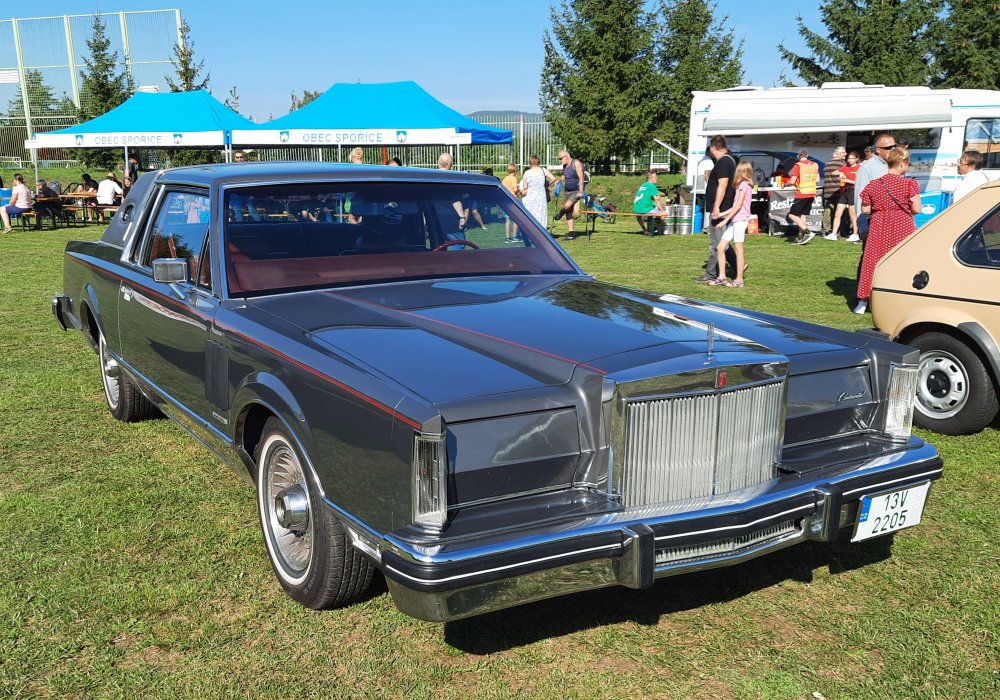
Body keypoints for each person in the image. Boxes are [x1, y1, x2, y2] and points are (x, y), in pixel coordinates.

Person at [854, 147, 921, 314]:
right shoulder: (909, 183)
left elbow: (866, 210)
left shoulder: (874, 184)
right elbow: (918, 209)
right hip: (903, 225)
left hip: (879, 225)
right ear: (902, 164)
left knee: (872, 262)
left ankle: (863, 302)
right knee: (901, 262)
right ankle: (898, 299)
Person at [695, 135, 739, 282]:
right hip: (723, 207)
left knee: (716, 243)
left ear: (713, 148)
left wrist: (716, 208)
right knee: (722, 241)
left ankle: (711, 274)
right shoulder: (728, 160)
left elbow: (723, 184)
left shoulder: (723, 162)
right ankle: (738, 264)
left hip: (720, 209)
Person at [709, 160, 754, 288]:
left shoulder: (743, 185)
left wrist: (724, 220)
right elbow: (735, 206)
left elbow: (738, 206)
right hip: (735, 221)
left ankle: (739, 279)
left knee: (739, 250)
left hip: (740, 221)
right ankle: (722, 277)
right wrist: (721, 214)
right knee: (720, 247)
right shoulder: (744, 185)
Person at [855, 133, 894, 239]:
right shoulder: (867, 167)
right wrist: (863, 228)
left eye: (894, 146)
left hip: (893, 223)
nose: (893, 149)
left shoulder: (896, 164)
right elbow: (860, 197)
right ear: (878, 150)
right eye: (889, 147)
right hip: (874, 222)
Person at [826, 151, 861, 242]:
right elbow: (833, 173)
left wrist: (847, 180)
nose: (849, 160)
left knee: (852, 214)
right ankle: (834, 234)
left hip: (853, 191)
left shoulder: (859, 168)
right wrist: (840, 174)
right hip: (844, 191)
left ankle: (855, 234)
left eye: (851, 158)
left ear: (856, 159)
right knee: (838, 212)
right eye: (848, 158)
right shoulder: (845, 167)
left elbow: (859, 183)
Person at [786, 149, 819, 244]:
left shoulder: (798, 165)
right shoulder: (815, 165)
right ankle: (801, 237)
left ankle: (807, 231)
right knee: (802, 215)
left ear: (798, 156)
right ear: (807, 155)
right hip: (812, 192)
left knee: (791, 215)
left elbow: (792, 181)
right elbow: (817, 179)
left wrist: (785, 184)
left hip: (802, 192)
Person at [553, 149, 585, 239]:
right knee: (569, 211)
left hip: (576, 191)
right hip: (567, 190)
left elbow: (581, 177)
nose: (559, 161)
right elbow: (565, 176)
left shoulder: (576, 163)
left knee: (566, 206)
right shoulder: (565, 166)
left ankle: (560, 214)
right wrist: (559, 179)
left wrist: (581, 191)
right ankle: (571, 233)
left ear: (566, 157)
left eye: (560, 159)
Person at [519, 154, 555, 229]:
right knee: (541, 214)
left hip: (531, 195)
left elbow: (525, 187)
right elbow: (553, 178)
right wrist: (546, 184)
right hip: (541, 195)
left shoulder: (527, 173)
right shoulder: (543, 170)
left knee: (532, 215)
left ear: (530, 162)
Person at [633, 170, 667, 236]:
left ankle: (645, 230)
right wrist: (662, 211)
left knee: (639, 216)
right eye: (656, 177)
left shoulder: (643, 185)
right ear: (651, 178)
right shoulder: (652, 186)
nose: (657, 178)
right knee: (664, 214)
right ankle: (654, 228)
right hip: (646, 209)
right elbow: (657, 200)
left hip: (636, 209)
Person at [822, 147, 846, 235]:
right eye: (844, 153)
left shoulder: (828, 163)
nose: (846, 154)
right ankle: (838, 230)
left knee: (827, 211)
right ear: (839, 154)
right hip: (838, 190)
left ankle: (825, 230)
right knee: (839, 212)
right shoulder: (842, 163)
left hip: (828, 190)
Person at [501, 163, 520, 242]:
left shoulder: (505, 179)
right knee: (516, 219)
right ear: (515, 170)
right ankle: (515, 236)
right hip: (513, 200)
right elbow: (515, 190)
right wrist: (519, 188)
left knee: (507, 219)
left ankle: (507, 237)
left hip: (506, 200)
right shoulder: (514, 178)